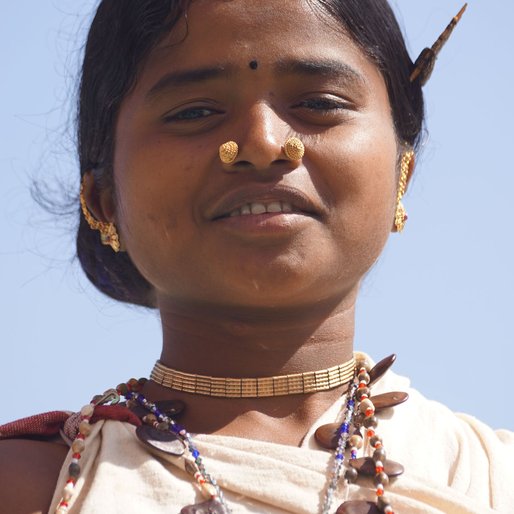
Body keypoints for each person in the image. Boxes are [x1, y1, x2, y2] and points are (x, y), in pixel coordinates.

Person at [1, 1, 513, 513]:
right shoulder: (31, 487)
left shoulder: (489, 478)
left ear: (403, 170)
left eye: (319, 103)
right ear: (103, 199)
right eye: (195, 112)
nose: (264, 143)